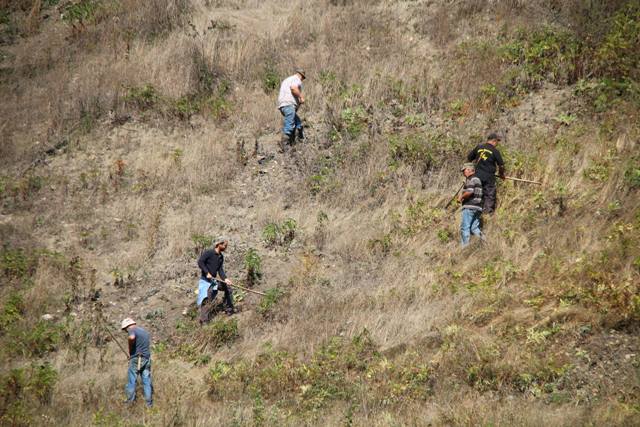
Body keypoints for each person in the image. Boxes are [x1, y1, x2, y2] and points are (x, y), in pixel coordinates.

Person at [197, 238, 234, 324]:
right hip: (206, 281)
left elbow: (220, 270)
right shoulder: (209, 253)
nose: (225, 247)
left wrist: (226, 279)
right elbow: (200, 262)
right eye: (224, 245)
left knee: (228, 288)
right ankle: (204, 321)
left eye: (226, 246)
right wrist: (207, 273)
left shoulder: (221, 257)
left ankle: (228, 309)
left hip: (213, 281)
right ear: (218, 244)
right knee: (206, 300)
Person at [466, 132, 506, 214]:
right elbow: (501, 165)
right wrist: (501, 174)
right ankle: (487, 214)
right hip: (489, 177)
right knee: (489, 195)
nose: (497, 144)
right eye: (497, 142)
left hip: (476, 176)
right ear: (494, 141)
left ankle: (475, 211)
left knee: (477, 193)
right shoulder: (495, 151)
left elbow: (469, 158)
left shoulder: (479, 147)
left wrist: (470, 171)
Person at [121, 318, 153, 407]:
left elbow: (132, 338)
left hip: (137, 359)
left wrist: (130, 349)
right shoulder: (144, 331)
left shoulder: (131, 330)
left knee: (132, 381)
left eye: (125, 330)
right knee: (146, 382)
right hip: (147, 359)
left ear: (127, 327)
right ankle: (149, 405)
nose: (126, 331)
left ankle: (129, 403)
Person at [277, 69, 306, 150]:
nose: (302, 80)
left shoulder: (287, 80)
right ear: (301, 75)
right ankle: (285, 145)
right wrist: (301, 97)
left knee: (298, 123)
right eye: (303, 78)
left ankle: (297, 141)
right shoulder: (296, 79)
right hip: (289, 105)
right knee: (289, 125)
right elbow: (293, 88)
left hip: (283, 105)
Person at [458, 163, 484, 247]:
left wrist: (461, 197)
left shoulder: (472, 179)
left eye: (464, 170)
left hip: (470, 207)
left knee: (464, 228)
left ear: (469, 170)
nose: (463, 172)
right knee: (474, 228)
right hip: (478, 207)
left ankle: (465, 249)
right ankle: (485, 244)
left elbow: (469, 191)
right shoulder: (477, 179)